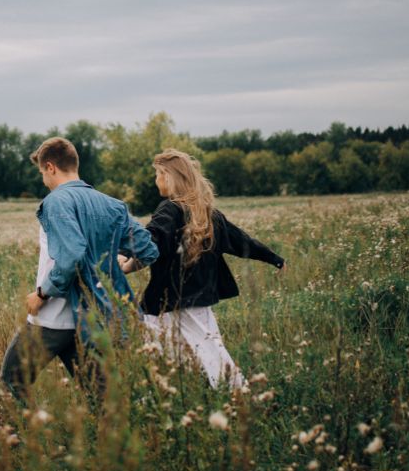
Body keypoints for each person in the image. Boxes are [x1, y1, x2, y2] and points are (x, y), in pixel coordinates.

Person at [0, 137, 159, 401]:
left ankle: (22, 440)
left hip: (53, 315)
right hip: (95, 319)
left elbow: (72, 255)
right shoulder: (112, 204)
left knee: (12, 381)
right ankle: (115, 441)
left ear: (50, 167)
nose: (43, 180)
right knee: (103, 398)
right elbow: (148, 250)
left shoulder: (56, 202)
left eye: (42, 173)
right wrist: (122, 266)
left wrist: (41, 294)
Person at [119, 149, 285, 389]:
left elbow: (152, 239)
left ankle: (240, 396)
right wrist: (275, 259)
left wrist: (123, 253)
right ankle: (175, 394)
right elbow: (243, 242)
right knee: (165, 350)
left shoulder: (170, 209)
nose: (156, 181)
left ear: (168, 176)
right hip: (188, 298)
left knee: (209, 353)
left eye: (157, 174)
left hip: (173, 298)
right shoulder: (208, 213)